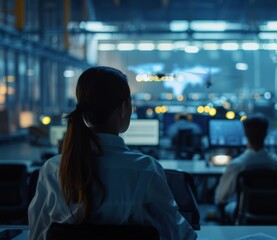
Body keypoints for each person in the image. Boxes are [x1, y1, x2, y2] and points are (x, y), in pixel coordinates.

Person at [28, 66, 197, 240]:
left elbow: (37, 235)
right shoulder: (146, 170)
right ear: (124, 108)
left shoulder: (53, 170)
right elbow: (180, 235)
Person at [214, 113, 277, 222]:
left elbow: (221, 197)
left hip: (247, 219)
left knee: (230, 205)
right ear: (266, 134)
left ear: (245, 134)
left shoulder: (237, 165)